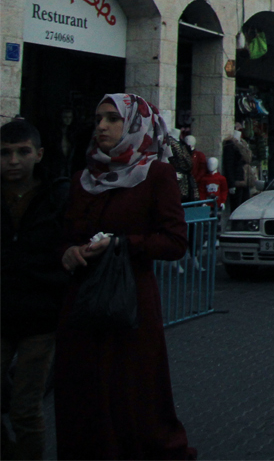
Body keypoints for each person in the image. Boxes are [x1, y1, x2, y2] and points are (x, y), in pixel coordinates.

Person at [54, 94, 196, 459]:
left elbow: (175, 241)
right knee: (82, 387)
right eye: (98, 118)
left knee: (131, 387)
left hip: (131, 301)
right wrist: (68, 252)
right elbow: (65, 233)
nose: (101, 126)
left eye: (112, 119)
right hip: (82, 300)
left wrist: (122, 245)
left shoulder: (155, 174)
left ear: (135, 124)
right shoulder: (83, 177)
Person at [2, 119, 69, 460]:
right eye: (6, 153)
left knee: (26, 408)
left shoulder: (56, 196)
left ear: (38, 154)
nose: (14, 160)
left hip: (40, 319)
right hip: (2, 312)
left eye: (23, 152)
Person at [221, 127, 253, 209]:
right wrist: (231, 183)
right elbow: (228, 165)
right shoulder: (230, 145)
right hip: (237, 179)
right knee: (237, 205)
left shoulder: (243, 143)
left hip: (245, 178)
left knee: (245, 203)